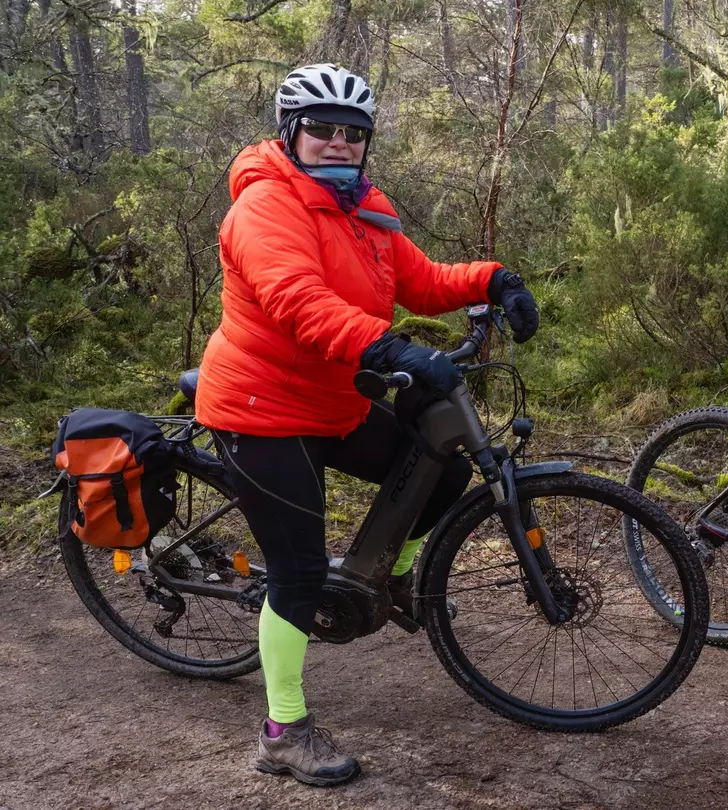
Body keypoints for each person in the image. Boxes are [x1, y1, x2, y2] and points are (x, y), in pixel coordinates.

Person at [194, 63, 540, 786]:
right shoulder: (265, 209)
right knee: (294, 572)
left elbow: (419, 279)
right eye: (322, 128)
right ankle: (281, 733)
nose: (339, 142)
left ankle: (393, 578)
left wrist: (493, 279)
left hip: (334, 403)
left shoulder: (361, 210)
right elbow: (298, 302)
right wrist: (390, 347)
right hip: (262, 409)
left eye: (353, 132)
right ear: (291, 132)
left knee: (441, 470)